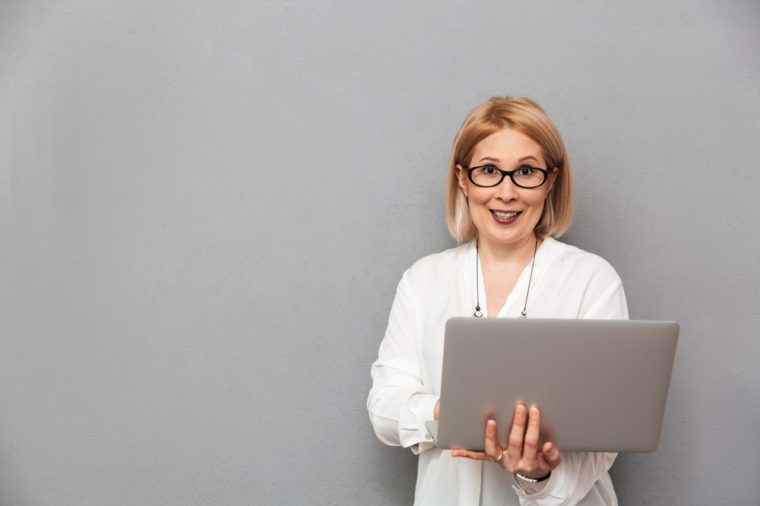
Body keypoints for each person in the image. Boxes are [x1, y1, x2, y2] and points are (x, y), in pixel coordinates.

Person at [367, 96, 628, 506]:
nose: (506, 193)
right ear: (463, 179)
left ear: (550, 181)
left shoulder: (592, 280)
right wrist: (449, 413)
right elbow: (384, 407)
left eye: (526, 171)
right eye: (488, 171)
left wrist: (536, 474)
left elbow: (606, 433)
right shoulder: (423, 280)